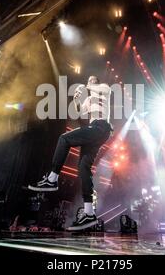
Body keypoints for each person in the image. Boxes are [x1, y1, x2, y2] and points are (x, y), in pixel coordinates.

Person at [29, 75, 112, 230]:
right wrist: (77, 101)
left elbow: (97, 88)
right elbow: (81, 116)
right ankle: (89, 212)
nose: (90, 80)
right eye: (89, 79)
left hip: (101, 127)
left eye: (93, 79)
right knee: (83, 168)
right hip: (95, 130)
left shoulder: (104, 89)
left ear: (97, 82)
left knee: (64, 138)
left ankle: (52, 179)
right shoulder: (89, 100)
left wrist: (86, 86)